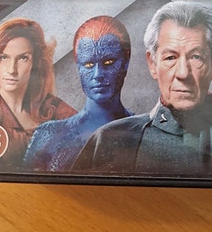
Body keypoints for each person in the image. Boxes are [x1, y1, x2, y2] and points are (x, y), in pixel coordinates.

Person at [73, 1, 212, 179]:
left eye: (196, 57)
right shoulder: (109, 140)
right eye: (170, 57)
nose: (183, 73)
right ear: (152, 64)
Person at [24, 15, 132, 172]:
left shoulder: (145, 133)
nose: (98, 74)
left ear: (125, 61)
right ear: (78, 65)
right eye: (88, 64)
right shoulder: (48, 135)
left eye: (108, 62)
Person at [0, 18, 76, 171]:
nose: (12, 70)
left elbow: (88, 133)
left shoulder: (51, 107)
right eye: (4, 57)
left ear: (35, 63)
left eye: (23, 58)